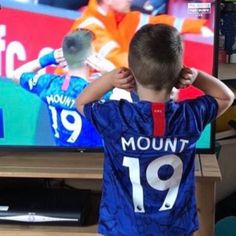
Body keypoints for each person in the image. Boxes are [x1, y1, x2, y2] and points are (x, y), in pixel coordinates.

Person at [76, 24, 234, 235]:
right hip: (174, 228)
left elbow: (82, 103)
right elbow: (226, 97)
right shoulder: (189, 116)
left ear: (131, 71)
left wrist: (111, 79)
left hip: (123, 227)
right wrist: (196, 76)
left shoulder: (117, 117)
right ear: (179, 73)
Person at [11, 29, 111, 147]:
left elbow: (16, 75)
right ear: (90, 59)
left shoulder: (49, 84)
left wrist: (48, 58)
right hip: (93, 162)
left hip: (62, 160)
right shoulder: (98, 94)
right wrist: (111, 71)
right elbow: (132, 96)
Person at [71, 0, 211, 68]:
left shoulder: (123, 17)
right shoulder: (89, 26)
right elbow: (117, 60)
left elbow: (159, 22)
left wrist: (198, 28)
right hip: (79, 102)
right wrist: (161, 73)